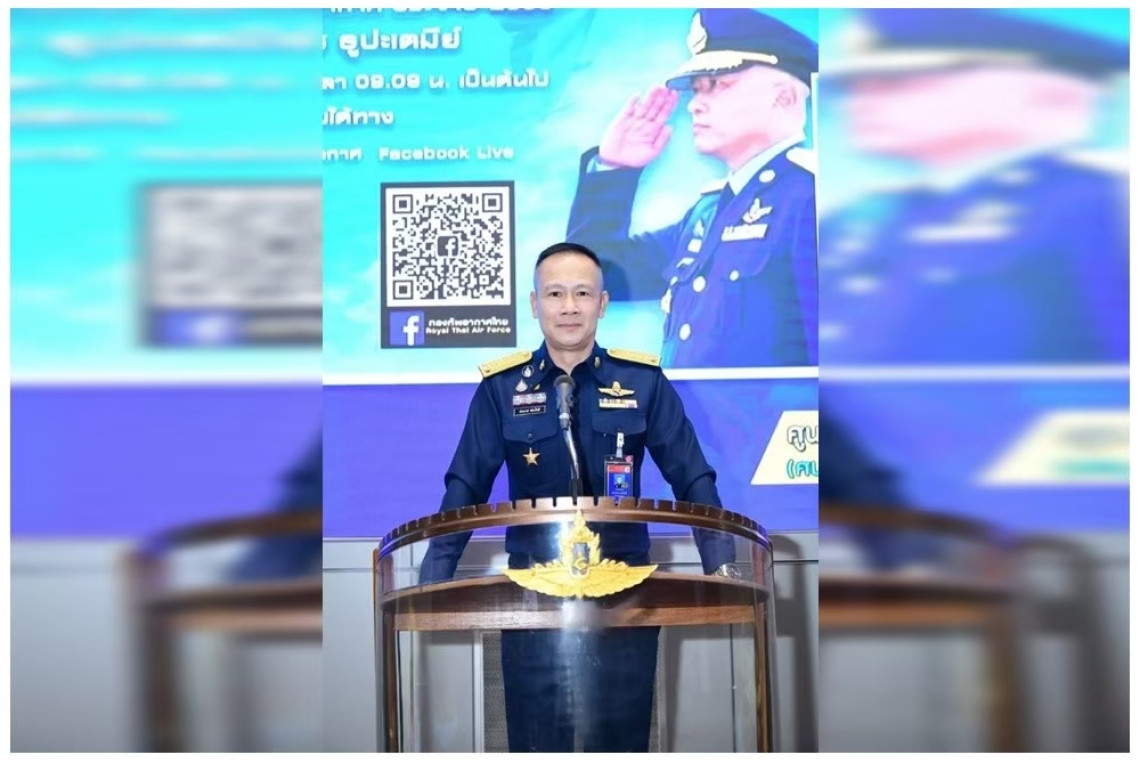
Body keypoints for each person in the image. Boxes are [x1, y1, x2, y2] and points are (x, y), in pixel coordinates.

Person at [418, 241, 739, 752]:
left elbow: (693, 476)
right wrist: (434, 576)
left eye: (582, 293)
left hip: (625, 593)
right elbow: (465, 485)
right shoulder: (501, 388)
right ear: (534, 304)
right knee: (537, 743)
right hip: (534, 596)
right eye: (555, 294)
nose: (569, 306)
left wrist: (721, 563)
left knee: (620, 743)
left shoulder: (642, 382)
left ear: (602, 304)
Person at [819, 8, 1128, 364]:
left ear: (1053, 94)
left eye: (899, 79)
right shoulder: (857, 218)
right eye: (853, 87)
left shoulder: (1101, 207)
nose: (862, 100)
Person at [567, 8, 819, 369]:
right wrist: (614, 170)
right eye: (697, 89)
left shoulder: (812, 198)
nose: (696, 104)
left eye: (718, 85)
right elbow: (591, 278)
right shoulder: (708, 212)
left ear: (785, 99)